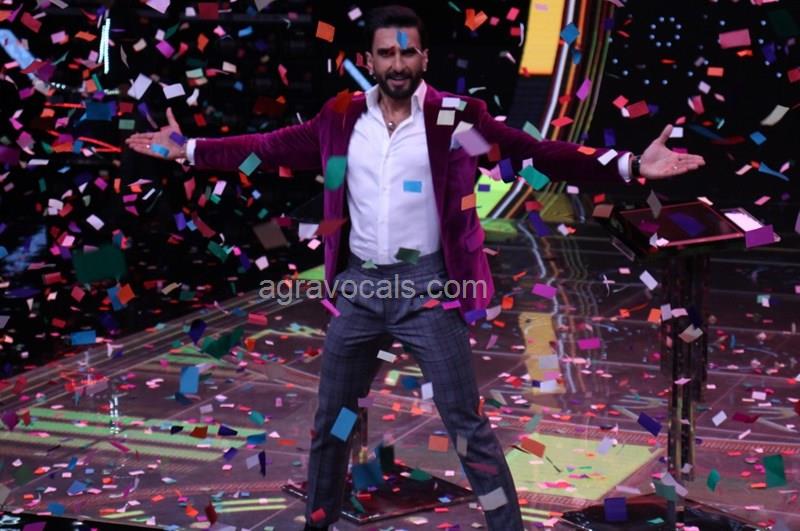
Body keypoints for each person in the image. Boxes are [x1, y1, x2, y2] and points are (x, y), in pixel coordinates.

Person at [127, 5, 705, 530]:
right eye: (386, 53)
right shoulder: (340, 118)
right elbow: (270, 146)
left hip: (429, 290)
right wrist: (189, 150)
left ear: (424, 57)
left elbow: (534, 152)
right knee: (331, 424)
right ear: (368, 61)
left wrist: (630, 165)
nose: (397, 64)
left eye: (407, 53)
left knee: (466, 426)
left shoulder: (456, 119)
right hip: (358, 291)